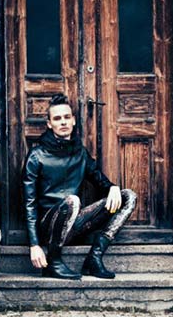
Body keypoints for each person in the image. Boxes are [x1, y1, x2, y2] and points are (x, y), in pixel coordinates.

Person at [22, 94, 137, 280]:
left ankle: (94, 258)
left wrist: (112, 187)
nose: (63, 122)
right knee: (72, 201)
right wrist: (34, 244)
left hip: (75, 224)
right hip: (48, 227)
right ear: (49, 124)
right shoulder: (36, 156)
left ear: (73, 120)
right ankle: (54, 262)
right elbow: (29, 203)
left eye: (67, 117)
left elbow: (99, 179)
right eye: (57, 118)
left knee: (128, 196)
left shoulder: (80, 153)